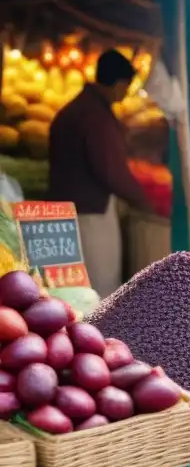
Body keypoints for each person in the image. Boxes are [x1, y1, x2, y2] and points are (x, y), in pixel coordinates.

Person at [48, 49, 152, 298]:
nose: (126, 93)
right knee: (99, 287)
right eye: (127, 86)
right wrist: (143, 200)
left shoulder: (77, 108)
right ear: (118, 83)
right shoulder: (95, 117)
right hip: (89, 215)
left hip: (66, 211)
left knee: (70, 291)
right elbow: (111, 171)